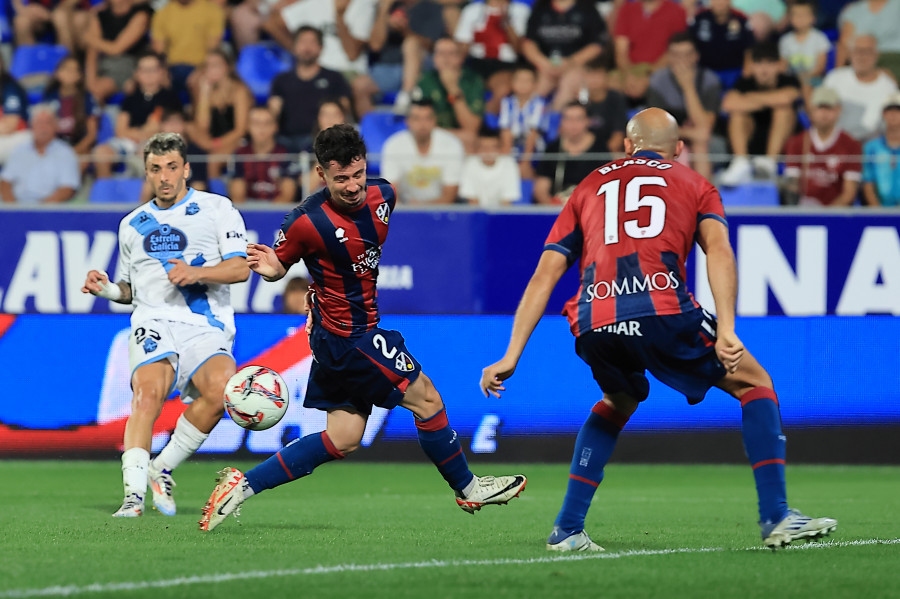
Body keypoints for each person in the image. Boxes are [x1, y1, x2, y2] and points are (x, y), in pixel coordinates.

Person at [480, 107, 838, 552]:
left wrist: (511, 354)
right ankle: (777, 517)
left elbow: (545, 273)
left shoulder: (588, 186)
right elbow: (719, 251)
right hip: (661, 307)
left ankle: (567, 530)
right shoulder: (694, 184)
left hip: (594, 319)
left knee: (619, 398)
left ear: (626, 146)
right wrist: (726, 327)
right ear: (680, 150)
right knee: (755, 383)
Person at [198, 124, 527, 531]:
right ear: (321, 174)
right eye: (340, 179)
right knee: (427, 400)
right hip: (347, 336)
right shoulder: (305, 221)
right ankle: (467, 486)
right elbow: (279, 263)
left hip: (340, 332)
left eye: (357, 175)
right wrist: (272, 270)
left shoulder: (384, 194)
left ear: (365, 166)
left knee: (343, 436)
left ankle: (241, 485)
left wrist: (319, 293)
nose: (352, 186)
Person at [81, 132, 250, 518]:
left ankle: (163, 466)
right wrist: (106, 288)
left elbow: (241, 267)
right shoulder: (132, 224)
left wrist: (196, 272)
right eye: (156, 169)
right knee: (147, 395)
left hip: (205, 324)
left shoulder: (216, 209)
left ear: (187, 169)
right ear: (147, 172)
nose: (165, 177)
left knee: (223, 390)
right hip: (153, 320)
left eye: (172, 167)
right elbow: (129, 289)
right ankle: (133, 498)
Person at [720, 42, 801, 186]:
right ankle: (741, 162)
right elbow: (728, 104)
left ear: (779, 65)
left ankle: (770, 163)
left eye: (769, 63)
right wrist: (771, 100)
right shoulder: (744, 82)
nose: (764, 69)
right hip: (752, 138)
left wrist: (749, 98)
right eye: (759, 63)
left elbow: (786, 98)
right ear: (751, 66)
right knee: (738, 114)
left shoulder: (789, 80)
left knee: (783, 110)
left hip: (783, 144)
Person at [93, 51, 182, 178]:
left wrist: (138, 133)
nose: (148, 74)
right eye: (144, 70)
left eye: (153, 69)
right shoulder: (130, 99)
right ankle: (107, 192)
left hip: (156, 142)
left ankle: (144, 194)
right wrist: (140, 132)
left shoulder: (171, 98)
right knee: (101, 152)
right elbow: (121, 130)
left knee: (147, 152)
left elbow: (163, 130)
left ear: (161, 72)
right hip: (128, 141)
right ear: (137, 73)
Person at [647, 32, 723, 181]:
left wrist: (688, 87)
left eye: (686, 55)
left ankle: (703, 198)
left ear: (696, 56)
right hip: (670, 139)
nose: (681, 61)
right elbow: (657, 128)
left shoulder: (710, 81)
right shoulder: (658, 82)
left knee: (700, 143)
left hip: (709, 142)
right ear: (669, 57)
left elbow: (706, 127)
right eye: (676, 55)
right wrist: (689, 132)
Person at [268, 26, 352, 153]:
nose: (307, 47)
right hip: (285, 141)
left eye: (312, 42)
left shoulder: (335, 78)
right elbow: (272, 113)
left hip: (322, 141)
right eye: (302, 42)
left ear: (321, 48)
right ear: (294, 47)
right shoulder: (281, 80)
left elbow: (344, 111)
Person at [782, 86, 862, 206]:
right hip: (805, 211)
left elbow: (849, 193)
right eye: (820, 108)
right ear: (811, 111)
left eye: (829, 108)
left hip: (836, 214)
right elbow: (792, 185)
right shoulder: (797, 142)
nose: (824, 113)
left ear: (838, 110)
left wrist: (826, 216)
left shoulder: (851, 145)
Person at [520, 0, 606, 110]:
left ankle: (554, 121)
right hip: (545, 65)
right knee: (537, 87)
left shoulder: (587, 8)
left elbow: (597, 45)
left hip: (577, 65)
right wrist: (543, 63)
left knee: (568, 84)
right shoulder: (540, 8)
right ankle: (530, 123)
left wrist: (571, 62)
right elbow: (528, 42)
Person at [380, 98, 465, 204]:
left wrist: (421, 207)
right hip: (405, 210)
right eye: (417, 119)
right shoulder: (393, 145)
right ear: (408, 121)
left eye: (427, 118)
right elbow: (390, 191)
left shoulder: (452, 144)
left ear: (434, 120)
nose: (422, 124)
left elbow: (449, 195)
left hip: (442, 212)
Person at [453, 0, 531, 115]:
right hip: (475, 62)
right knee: (457, 82)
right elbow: (461, 47)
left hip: (507, 64)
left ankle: (483, 123)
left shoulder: (521, 10)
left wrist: (507, 23)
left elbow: (520, 50)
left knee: (502, 89)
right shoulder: (472, 10)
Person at [187, 50, 253, 180]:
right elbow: (202, 126)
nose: (211, 70)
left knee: (213, 160)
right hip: (212, 141)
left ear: (227, 67)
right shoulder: (203, 90)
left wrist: (216, 144)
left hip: (237, 141)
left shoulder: (239, 91)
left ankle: (216, 198)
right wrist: (205, 92)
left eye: (216, 65)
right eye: (207, 66)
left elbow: (241, 130)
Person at [412, 37, 485, 151]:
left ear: (461, 57)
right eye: (441, 53)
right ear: (434, 58)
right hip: (432, 135)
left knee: (469, 139)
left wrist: (453, 89)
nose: (446, 58)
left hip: (461, 137)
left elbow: (471, 127)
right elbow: (418, 123)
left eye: (451, 53)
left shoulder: (472, 80)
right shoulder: (426, 81)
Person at [822, 35, 899, 142]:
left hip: (871, 145)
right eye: (857, 51)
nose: (862, 56)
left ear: (877, 55)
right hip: (835, 143)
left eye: (867, 51)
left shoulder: (889, 86)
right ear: (849, 54)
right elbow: (819, 112)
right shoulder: (834, 78)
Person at [0, 105, 80, 204]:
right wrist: (12, 206)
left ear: (56, 126)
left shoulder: (66, 153)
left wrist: (40, 210)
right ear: (31, 126)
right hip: (17, 208)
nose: (43, 127)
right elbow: (5, 182)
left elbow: (67, 188)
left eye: (48, 123)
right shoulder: (19, 151)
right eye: (39, 122)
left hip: (49, 211)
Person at [613, 0, 687, 104]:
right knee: (605, 83)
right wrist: (629, 76)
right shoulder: (627, 10)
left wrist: (648, 77)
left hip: (662, 70)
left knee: (664, 81)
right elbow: (621, 51)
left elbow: (675, 51)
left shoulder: (677, 11)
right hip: (632, 70)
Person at [533, 101, 608, 204]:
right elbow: (540, 189)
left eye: (578, 119)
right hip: (558, 209)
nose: (573, 123)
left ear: (587, 121)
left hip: (590, 209)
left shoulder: (601, 149)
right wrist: (553, 209)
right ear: (561, 122)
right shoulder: (552, 149)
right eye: (568, 119)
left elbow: (607, 188)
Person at [150, 0, 225, 99]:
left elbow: (213, 50)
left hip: (201, 67)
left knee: (201, 82)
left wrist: (200, 71)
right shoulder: (162, 13)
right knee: (152, 80)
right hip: (172, 68)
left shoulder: (213, 11)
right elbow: (158, 51)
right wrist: (163, 72)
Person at [83, 0, 153, 105]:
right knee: (85, 89)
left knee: (96, 92)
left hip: (129, 64)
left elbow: (117, 49)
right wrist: (90, 81)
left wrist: (89, 38)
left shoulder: (141, 13)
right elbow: (92, 52)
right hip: (103, 63)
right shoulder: (100, 15)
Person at [229, 106, 297, 204]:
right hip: (248, 210)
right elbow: (237, 197)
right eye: (256, 123)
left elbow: (287, 195)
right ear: (248, 126)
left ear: (275, 126)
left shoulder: (286, 153)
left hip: (278, 213)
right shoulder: (240, 154)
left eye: (267, 123)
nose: (262, 128)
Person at [41, 55, 100, 166]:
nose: (70, 73)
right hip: (54, 146)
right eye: (66, 69)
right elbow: (44, 129)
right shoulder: (49, 97)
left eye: (74, 70)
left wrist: (73, 151)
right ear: (57, 73)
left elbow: (92, 135)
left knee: (81, 160)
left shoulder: (87, 98)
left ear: (79, 76)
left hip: (78, 146)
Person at [689, 0, 755, 89]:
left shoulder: (740, 18)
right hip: (706, 71)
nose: (720, 2)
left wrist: (747, 67)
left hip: (734, 71)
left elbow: (750, 46)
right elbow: (689, 44)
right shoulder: (699, 18)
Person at [498, 63, 546, 179]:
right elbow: (505, 130)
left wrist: (525, 161)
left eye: (527, 81)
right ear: (512, 83)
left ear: (535, 85)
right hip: (512, 145)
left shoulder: (539, 103)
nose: (522, 84)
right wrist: (506, 157)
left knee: (525, 170)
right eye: (519, 80)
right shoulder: (506, 102)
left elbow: (533, 133)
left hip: (533, 148)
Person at [836, 0, 900, 82]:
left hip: (894, 58)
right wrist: (838, 75)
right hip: (862, 60)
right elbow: (843, 46)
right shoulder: (853, 11)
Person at [459, 125, 521, 206]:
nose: (488, 152)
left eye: (492, 148)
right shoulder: (470, 163)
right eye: (484, 148)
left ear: (499, 149)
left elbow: (506, 203)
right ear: (477, 149)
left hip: (500, 216)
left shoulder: (509, 164)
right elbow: (472, 202)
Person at [778, 0, 831, 93]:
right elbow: (783, 66)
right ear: (790, 18)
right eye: (796, 15)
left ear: (813, 18)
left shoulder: (820, 38)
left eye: (804, 15)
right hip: (792, 80)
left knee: (807, 84)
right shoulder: (785, 40)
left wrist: (806, 78)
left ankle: (808, 107)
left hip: (815, 80)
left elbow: (820, 67)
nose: (800, 18)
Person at [580, 57, 627, 155]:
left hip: (607, 154)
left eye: (597, 75)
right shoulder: (579, 100)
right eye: (590, 74)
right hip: (583, 152)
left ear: (606, 77)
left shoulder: (616, 99)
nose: (593, 79)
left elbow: (617, 137)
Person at [861, 92, 900, 206]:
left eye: (898, 110)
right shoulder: (871, 147)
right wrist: (878, 213)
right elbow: (868, 182)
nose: (893, 114)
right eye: (889, 110)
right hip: (880, 210)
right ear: (883, 114)